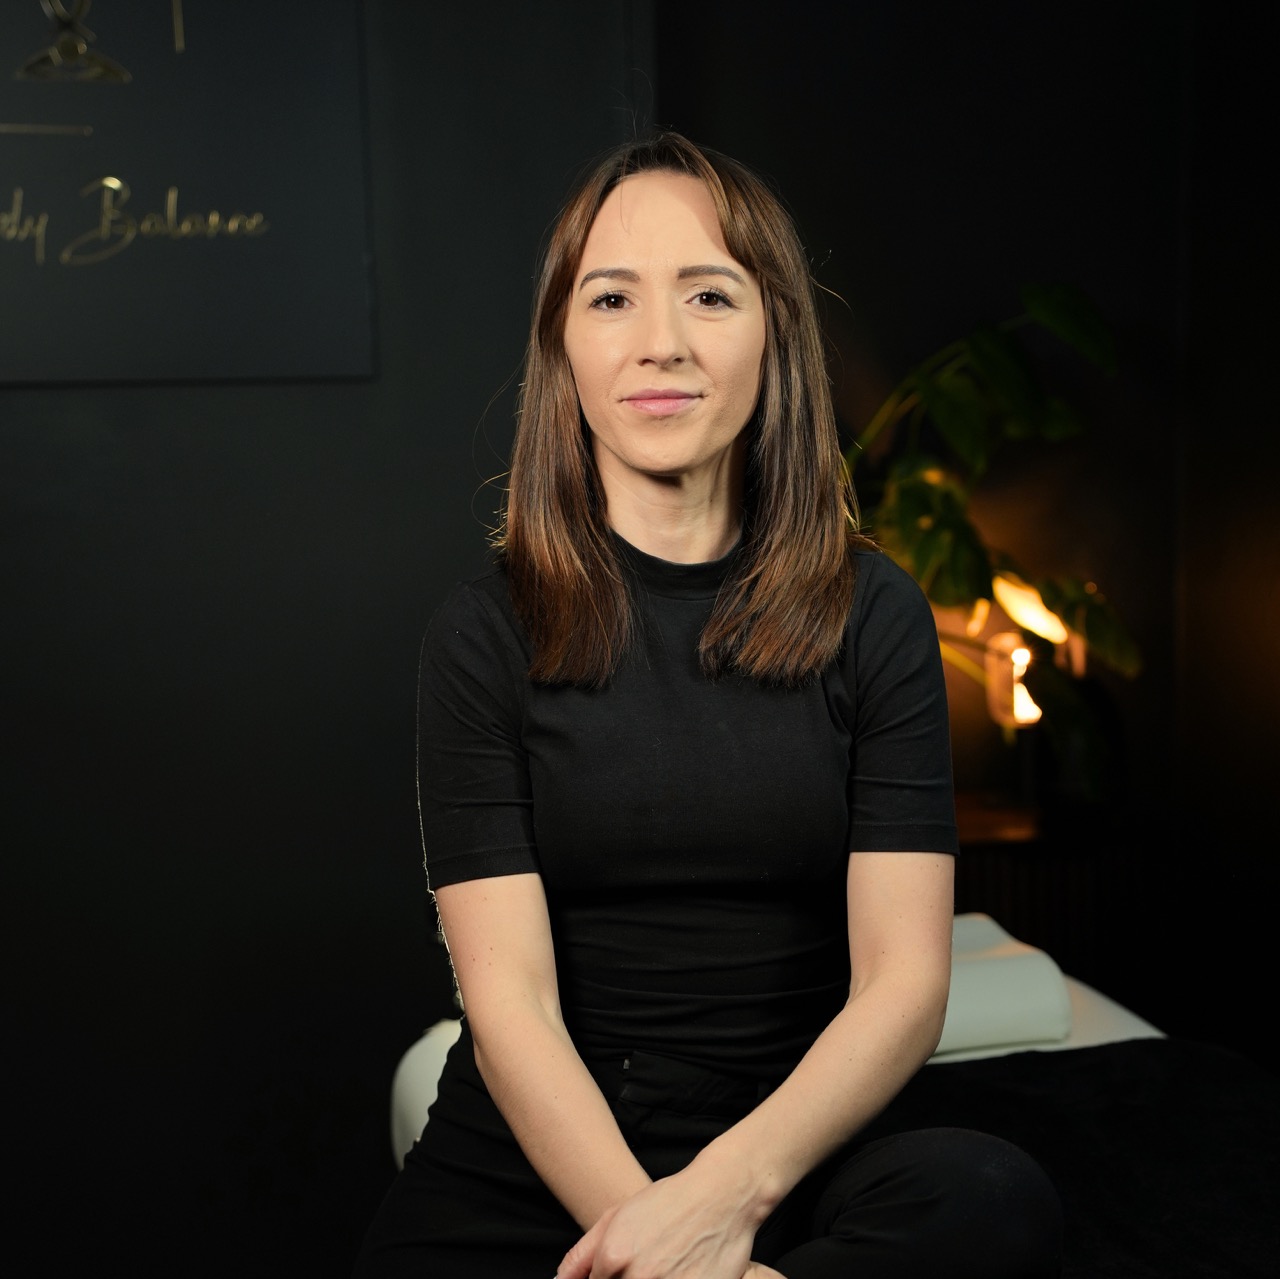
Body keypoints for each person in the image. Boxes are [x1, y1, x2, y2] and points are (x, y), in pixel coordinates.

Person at [354, 130, 1063, 1279]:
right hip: (545, 1153)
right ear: (562, 348)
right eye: (612, 299)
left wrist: (727, 1198)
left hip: (791, 1144)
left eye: (708, 293)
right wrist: (660, 1246)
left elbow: (902, 983)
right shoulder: (481, 637)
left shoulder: (873, 615)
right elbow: (512, 1006)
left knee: (990, 1199)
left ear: (773, 331)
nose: (661, 344)